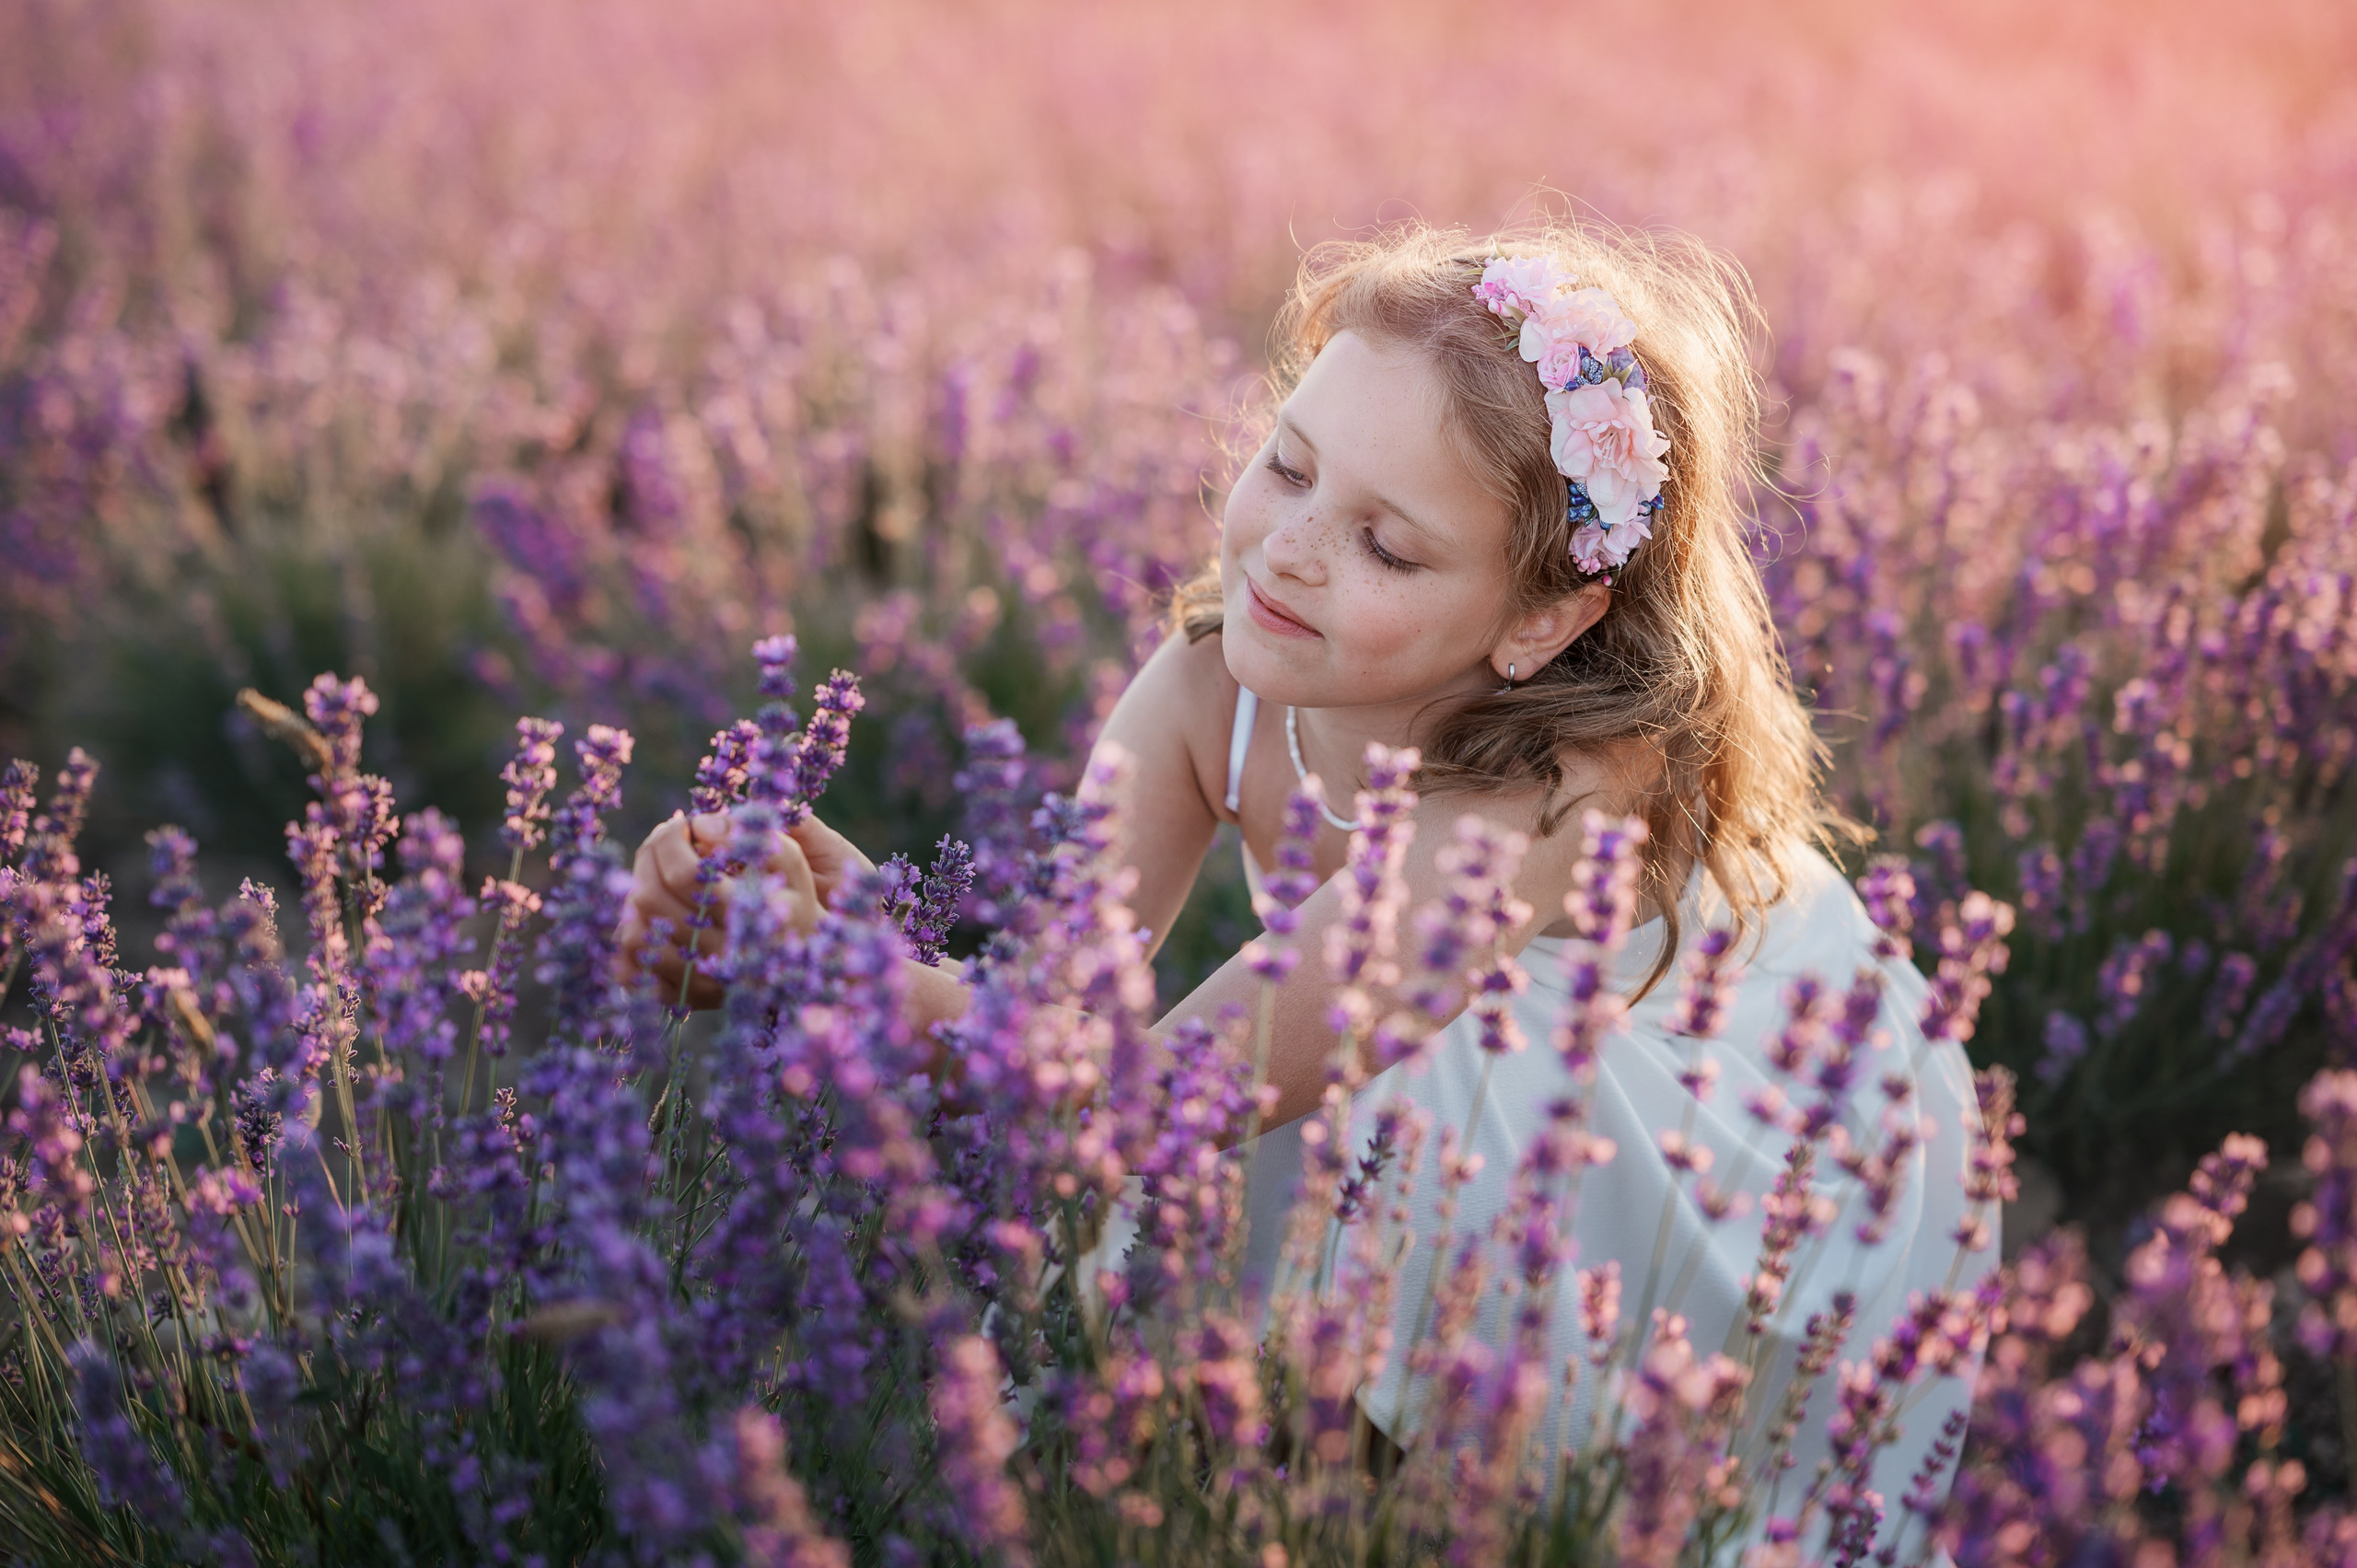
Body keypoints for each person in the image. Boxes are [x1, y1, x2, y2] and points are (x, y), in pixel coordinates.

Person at [620, 222, 1990, 1546]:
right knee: (1338, 1115)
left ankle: (1409, 1496)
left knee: (1401, 1092)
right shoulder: (1208, 687)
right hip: (1413, 1085)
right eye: (1287, 467)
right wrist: (824, 927)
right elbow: (1065, 1026)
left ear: (1541, 621)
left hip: (1726, 1147)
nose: (1289, 550)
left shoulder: (1544, 799)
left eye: (1388, 546)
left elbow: (1173, 1094)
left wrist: (866, 984)